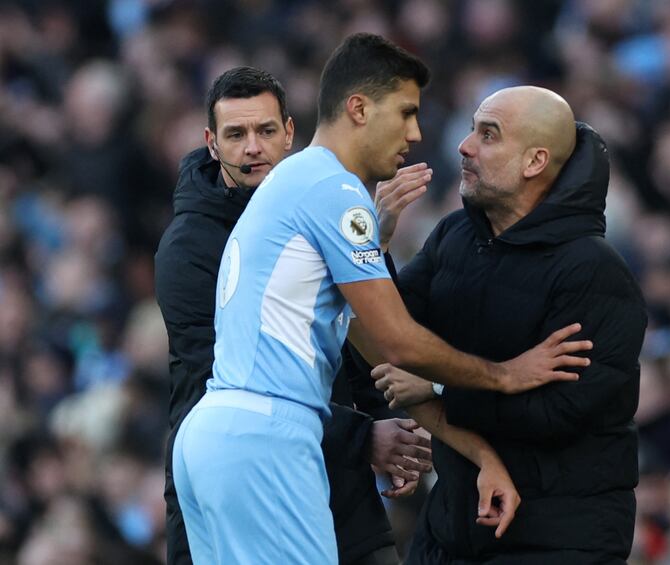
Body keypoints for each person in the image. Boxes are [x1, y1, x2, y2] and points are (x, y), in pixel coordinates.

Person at [171, 35, 592, 564]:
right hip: (266, 438)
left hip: (218, 435)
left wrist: (478, 452)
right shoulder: (333, 191)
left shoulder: (296, 185)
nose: (416, 132)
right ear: (359, 108)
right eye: (406, 112)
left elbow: (382, 354)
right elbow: (401, 339)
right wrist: (507, 374)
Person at [154, 66, 435, 565]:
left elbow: (347, 329)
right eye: (235, 135)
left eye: (265, 131)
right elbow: (220, 383)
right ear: (211, 143)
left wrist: (376, 242)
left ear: (289, 133)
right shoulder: (189, 248)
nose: (252, 148)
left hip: (331, 468)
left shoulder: (316, 200)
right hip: (243, 474)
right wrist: (364, 436)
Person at [372, 87, 648, 564]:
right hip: (451, 529)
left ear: (534, 161)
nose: (465, 145)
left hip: (559, 537)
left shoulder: (593, 272)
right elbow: (387, 334)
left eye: (488, 134)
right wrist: (374, 246)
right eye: (472, 128)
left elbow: (560, 410)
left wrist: (435, 385)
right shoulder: (454, 236)